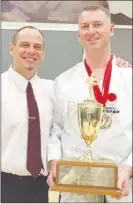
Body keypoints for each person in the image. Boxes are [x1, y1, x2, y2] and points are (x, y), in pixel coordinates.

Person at [47, 3, 132, 203]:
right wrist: (54, 163)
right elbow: (55, 130)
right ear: (78, 35)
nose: (91, 31)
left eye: (97, 25)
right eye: (85, 26)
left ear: (111, 29)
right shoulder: (63, 81)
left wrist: (128, 169)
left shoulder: (129, 78)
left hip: (118, 188)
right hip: (75, 187)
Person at [1, 26, 54, 203]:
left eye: (37, 47)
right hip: (4, 185)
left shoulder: (53, 90)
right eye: (25, 45)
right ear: (11, 48)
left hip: (41, 187)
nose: (31, 51)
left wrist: (118, 67)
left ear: (43, 53)